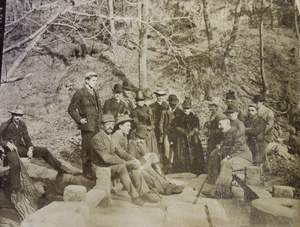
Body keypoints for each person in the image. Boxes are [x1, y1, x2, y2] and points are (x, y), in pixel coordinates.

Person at [0, 106, 69, 202]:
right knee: (15, 164)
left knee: (44, 150)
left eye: (19, 115)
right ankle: (17, 189)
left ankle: (59, 168)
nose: (17, 118)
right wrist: (7, 143)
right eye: (16, 115)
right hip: (10, 150)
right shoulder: (5, 125)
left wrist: (30, 148)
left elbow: (27, 138)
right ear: (12, 115)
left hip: (21, 148)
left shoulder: (22, 125)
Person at [91, 114, 159, 206]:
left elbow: (121, 152)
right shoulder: (97, 138)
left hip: (110, 167)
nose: (110, 126)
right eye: (107, 124)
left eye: (112, 124)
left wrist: (134, 160)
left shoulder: (110, 137)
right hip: (99, 168)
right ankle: (135, 197)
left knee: (134, 167)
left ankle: (144, 194)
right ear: (102, 126)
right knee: (122, 167)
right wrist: (125, 162)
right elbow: (106, 158)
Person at [203, 114, 253, 198]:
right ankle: (219, 188)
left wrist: (228, 157)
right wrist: (221, 146)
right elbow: (227, 144)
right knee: (220, 158)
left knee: (227, 164)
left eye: (220, 124)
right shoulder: (226, 133)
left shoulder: (236, 132)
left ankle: (222, 192)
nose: (219, 127)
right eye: (218, 124)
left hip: (244, 158)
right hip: (236, 157)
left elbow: (239, 147)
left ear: (227, 123)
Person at [127, 124, 184, 195]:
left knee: (151, 167)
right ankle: (163, 188)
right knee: (148, 171)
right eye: (140, 138)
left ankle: (167, 185)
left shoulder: (137, 144)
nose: (142, 141)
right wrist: (146, 157)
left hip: (139, 167)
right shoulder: (131, 146)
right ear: (135, 136)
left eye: (143, 139)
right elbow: (133, 163)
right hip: (134, 171)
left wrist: (148, 156)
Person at [68, 71, 102, 180]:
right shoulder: (80, 93)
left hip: (96, 124)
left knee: (96, 147)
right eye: (93, 81)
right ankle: (86, 172)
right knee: (86, 149)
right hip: (87, 126)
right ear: (86, 80)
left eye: (96, 81)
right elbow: (71, 109)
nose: (95, 83)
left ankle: (95, 170)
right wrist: (79, 119)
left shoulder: (95, 92)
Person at [170, 97, 205, 175]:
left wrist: (193, 131)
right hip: (181, 139)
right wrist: (182, 131)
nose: (186, 110)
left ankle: (195, 170)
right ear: (182, 108)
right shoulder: (178, 117)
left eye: (188, 108)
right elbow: (174, 126)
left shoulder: (194, 117)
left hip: (193, 138)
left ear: (191, 108)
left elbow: (197, 126)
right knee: (181, 155)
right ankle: (184, 170)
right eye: (185, 108)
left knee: (195, 154)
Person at [131, 90, 160, 161]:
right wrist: (146, 127)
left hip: (149, 132)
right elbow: (136, 123)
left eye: (143, 100)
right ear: (136, 101)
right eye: (139, 100)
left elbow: (151, 121)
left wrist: (152, 125)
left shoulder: (147, 109)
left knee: (152, 148)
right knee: (144, 150)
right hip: (140, 132)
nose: (142, 102)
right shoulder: (134, 111)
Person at [159, 94, 183, 173]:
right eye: (172, 104)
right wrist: (162, 134)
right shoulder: (164, 112)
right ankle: (166, 167)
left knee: (175, 150)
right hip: (167, 133)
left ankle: (174, 167)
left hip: (176, 134)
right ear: (169, 103)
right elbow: (161, 124)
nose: (174, 105)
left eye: (175, 104)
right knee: (166, 149)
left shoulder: (179, 111)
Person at [252, 94, 274, 171]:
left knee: (261, 150)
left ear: (262, 102)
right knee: (257, 150)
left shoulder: (268, 111)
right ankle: (266, 168)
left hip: (265, 135)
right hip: (256, 134)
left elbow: (270, 125)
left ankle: (260, 169)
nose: (255, 104)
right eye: (254, 102)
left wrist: (260, 134)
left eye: (257, 102)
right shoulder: (254, 111)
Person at [203, 97, 223, 171]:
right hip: (211, 137)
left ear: (216, 107)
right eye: (210, 106)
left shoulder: (218, 115)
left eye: (212, 106)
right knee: (209, 153)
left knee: (214, 154)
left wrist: (210, 131)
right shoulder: (212, 115)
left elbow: (220, 128)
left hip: (216, 138)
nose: (211, 108)